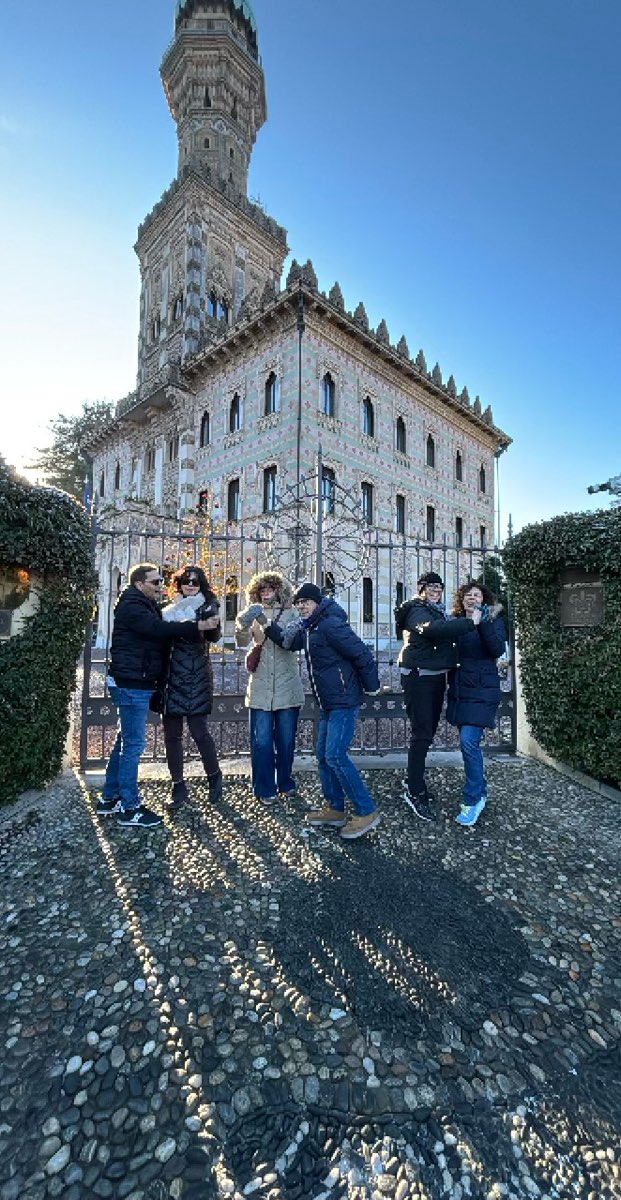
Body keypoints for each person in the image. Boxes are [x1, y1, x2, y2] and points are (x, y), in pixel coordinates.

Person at [253, 583, 381, 839]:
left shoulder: (331, 624)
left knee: (335, 755)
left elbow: (362, 654)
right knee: (322, 755)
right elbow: (289, 643)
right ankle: (335, 808)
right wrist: (266, 625)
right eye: (298, 602)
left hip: (343, 700)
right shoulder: (310, 627)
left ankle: (366, 810)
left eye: (306, 602)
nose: (301, 606)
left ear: (317, 602)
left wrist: (372, 687)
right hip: (328, 701)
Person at [97, 563, 215, 828]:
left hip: (137, 680)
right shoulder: (132, 605)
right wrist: (196, 626)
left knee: (124, 742)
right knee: (134, 745)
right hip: (132, 682)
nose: (161, 586)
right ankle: (130, 807)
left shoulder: (142, 603)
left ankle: (109, 798)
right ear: (139, 583)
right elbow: (158, 630)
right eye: (156, 582)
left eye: (162, 582)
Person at [395, 570, 480, 822]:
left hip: (432, 676)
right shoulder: (415, 609)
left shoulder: (435, 609)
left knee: (426, 733)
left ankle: (413, 778)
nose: (436, 591)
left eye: (439, 587)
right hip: (419, 677)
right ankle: (414, 790)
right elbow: (432, 630)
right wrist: (470, 622)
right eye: (431, 587)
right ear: (421, 588)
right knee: (421, 734)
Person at [235, 571, 304, 805]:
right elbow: (242, 642)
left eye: (270, 589)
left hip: (287, 684)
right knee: (262, 740)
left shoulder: (293, 613)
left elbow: (290, 643)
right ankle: (264, 787)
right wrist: (242, 626)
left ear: (279, 590)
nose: (265, 593)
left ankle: (285, 782)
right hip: (261, 686)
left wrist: (265, 622)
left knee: (285, 740)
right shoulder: (253, 613)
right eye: (261, 590)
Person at [160, 565, 222, 810]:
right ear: (179, 583)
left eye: (195, 582)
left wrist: (212, 624)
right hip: (171, 675)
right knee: (172, 736)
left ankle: (214, 777)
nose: (190, 585)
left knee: (199, 733)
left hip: (195, 675)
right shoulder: (168, 608)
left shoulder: (208, 605)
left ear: (202, 584)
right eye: (186, 580)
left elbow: (213, 636)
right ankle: (177, 785)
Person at [447, 581, 506, 826]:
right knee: (468, 745)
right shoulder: (456, 623)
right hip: (461, 691)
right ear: (462, 600)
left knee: (468, 741)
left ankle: (473, 798)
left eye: (477, 595)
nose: (472, 598)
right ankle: (480, 787)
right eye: (468, 595)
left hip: (483, 689)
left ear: (484, 599)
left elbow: (496, 649)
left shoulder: (493, 622)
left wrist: (481, 623)